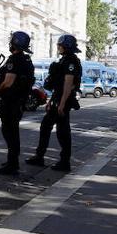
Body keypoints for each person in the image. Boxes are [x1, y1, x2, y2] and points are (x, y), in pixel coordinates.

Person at [26, 34, 82, 172]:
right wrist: (52, 100)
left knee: (61, 131)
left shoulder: (71, 61)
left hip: (64, 99)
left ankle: (62, 161)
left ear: (66, 46)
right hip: (59, 98)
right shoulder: (65, 60)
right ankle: (43, 157)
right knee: (49, 127)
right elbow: (59, 85)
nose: (58, 47)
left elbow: (68, 84)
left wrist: (62, 103)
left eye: (60, 45)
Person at [0, 31, 35, 175]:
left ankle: (12, 164)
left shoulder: (14, 60)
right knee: (13, 132)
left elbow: (8, 82)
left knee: (9, 132)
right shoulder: (26, 60)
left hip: (11, 101)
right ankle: (12, 161)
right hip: (19, 101)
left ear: (15, 43)